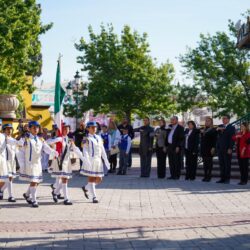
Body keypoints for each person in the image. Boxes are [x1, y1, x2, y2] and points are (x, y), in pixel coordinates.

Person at [14, 121, 58, 208]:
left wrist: (53, 152)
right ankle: (34, 200)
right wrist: (22, 164)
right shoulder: (25, 139)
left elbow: (46, 148)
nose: (35, 129)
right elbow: (20, 151)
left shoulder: (40, 139)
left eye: (37, 127)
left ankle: (27, 195)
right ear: (29, 129)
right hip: (30, 163)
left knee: (37, 182)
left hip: (38, 163)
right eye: (33, 127)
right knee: (34, 181)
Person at [79, 121, 110, 203]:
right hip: (91, 160)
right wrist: (87, 159)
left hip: (98, 161)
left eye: (95, 127)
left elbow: (102, 150)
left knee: (99, 179)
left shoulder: (99, 138)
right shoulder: (86, 138)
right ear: (88, 129)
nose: (94, 128)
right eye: (92, 127)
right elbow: (84, 150)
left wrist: (106, 160)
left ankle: (86, 188)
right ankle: (94, 197)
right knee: (91, 178)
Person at [50, 124, 81, 205]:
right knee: (64, 179)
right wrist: (54, 148)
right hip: (60, 160)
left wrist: (83, 157)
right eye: (65, 129)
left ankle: (55, 192)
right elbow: (48, 143)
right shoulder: (59, 138)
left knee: (66, 179)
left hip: (67, 162)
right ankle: (66, 198)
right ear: (62, 130)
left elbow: (75, 148)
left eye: (68, 129)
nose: (66, 131)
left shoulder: (70, 139)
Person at [216, 115, 236, 184]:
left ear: (228, 119)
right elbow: (217, 135)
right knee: (221, 164)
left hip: (227, 148)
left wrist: (230, 148)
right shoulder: (220, 126)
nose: (223, 120)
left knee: (227, 164)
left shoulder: (231, 127)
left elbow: (232, 139)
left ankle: (227, 179)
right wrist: (218, 130)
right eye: (222, 118)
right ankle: (222, 178)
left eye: (225, 118)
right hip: (220, 148)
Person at [0, 124, 17, 202]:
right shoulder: (3, 138)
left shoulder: (12, 139)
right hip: (5, 162)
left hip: (12, 162)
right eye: (7, 129)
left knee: (10, 179)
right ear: (3, 130)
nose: (9, 130)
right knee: (8, 178)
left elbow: (15, 151)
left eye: (10, 129)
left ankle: (1, 191)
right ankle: (11, 196)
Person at [200, 117, 217, 182]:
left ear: (211, 122)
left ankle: (209, 176)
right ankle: (205, 176)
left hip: (210, 148)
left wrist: (213, 148)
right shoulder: (203, 129)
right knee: (205, 163)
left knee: (209, 163)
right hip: (203, 148)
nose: (207, 122)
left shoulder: (213, 130)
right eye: (206, 121)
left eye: (208, 121)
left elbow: (215, 140)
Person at [0, 120, 9, 200]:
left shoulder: (4, 136)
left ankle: (1, 191)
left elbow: (13, 142)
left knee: (6, 180)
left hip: (2, 161)